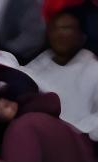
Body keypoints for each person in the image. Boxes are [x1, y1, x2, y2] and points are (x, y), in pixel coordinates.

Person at [25, 8, 98, 138]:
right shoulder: (40, 63)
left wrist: (79, 131)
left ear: (81, 37)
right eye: (54, 28)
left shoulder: (93, 68)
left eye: (66, 28)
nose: (59, 34)